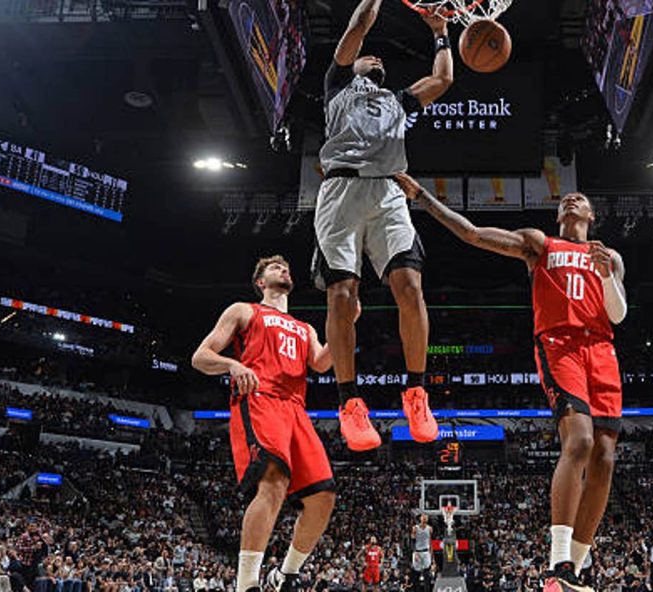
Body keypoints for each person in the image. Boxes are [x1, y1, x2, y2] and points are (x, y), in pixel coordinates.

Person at [394, 175, 628, 592]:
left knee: (606, 458)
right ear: (559, 215)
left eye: (581, 197)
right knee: (579, 442)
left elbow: (617, 315)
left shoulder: (607, 255)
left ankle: (573, 569)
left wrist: (607, 274)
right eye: (566, 200)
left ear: (591, 215)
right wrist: (424, 199)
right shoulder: (540, 244)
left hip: (603, 352)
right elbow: (472, 233)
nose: (572, 198)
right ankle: (558, 561)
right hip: (561, 345)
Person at [313, 0, 455, 451]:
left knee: (410, 287)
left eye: (379, 61)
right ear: (352, 65)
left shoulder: (398, 102)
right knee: (341, 295)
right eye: (366, 57)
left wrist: (440, 33)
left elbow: (444, 79)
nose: (374, 58)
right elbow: (359, 23)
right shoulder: (337, 85)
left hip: (389, 192)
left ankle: (416, 392)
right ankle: (349, 401)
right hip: (340, 191)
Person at [191, 256, 341, 592]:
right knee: (273, 480)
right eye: (275, 268)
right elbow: (200, 357)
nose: (284, 269)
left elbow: (320, 363)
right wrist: (232, 365)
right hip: (261, 397)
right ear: (260, 282)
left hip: (297, 410)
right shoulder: (244, 310)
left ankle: (285, 575)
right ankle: (246, 584)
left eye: (287, 267)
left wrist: (344, 326)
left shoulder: (305, 328)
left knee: (324, 497)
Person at [411, 514, 433, 587]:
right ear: (420, 518)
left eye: (426, 518)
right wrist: (415, 552)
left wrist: (432, 556)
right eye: (423, 517)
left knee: (427, 573)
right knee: (416, 573)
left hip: (426, 552)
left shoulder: (430, 529)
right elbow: (412, 541)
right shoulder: (415, 528)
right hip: (417, 551)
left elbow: (430, 542)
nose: (424, 519)